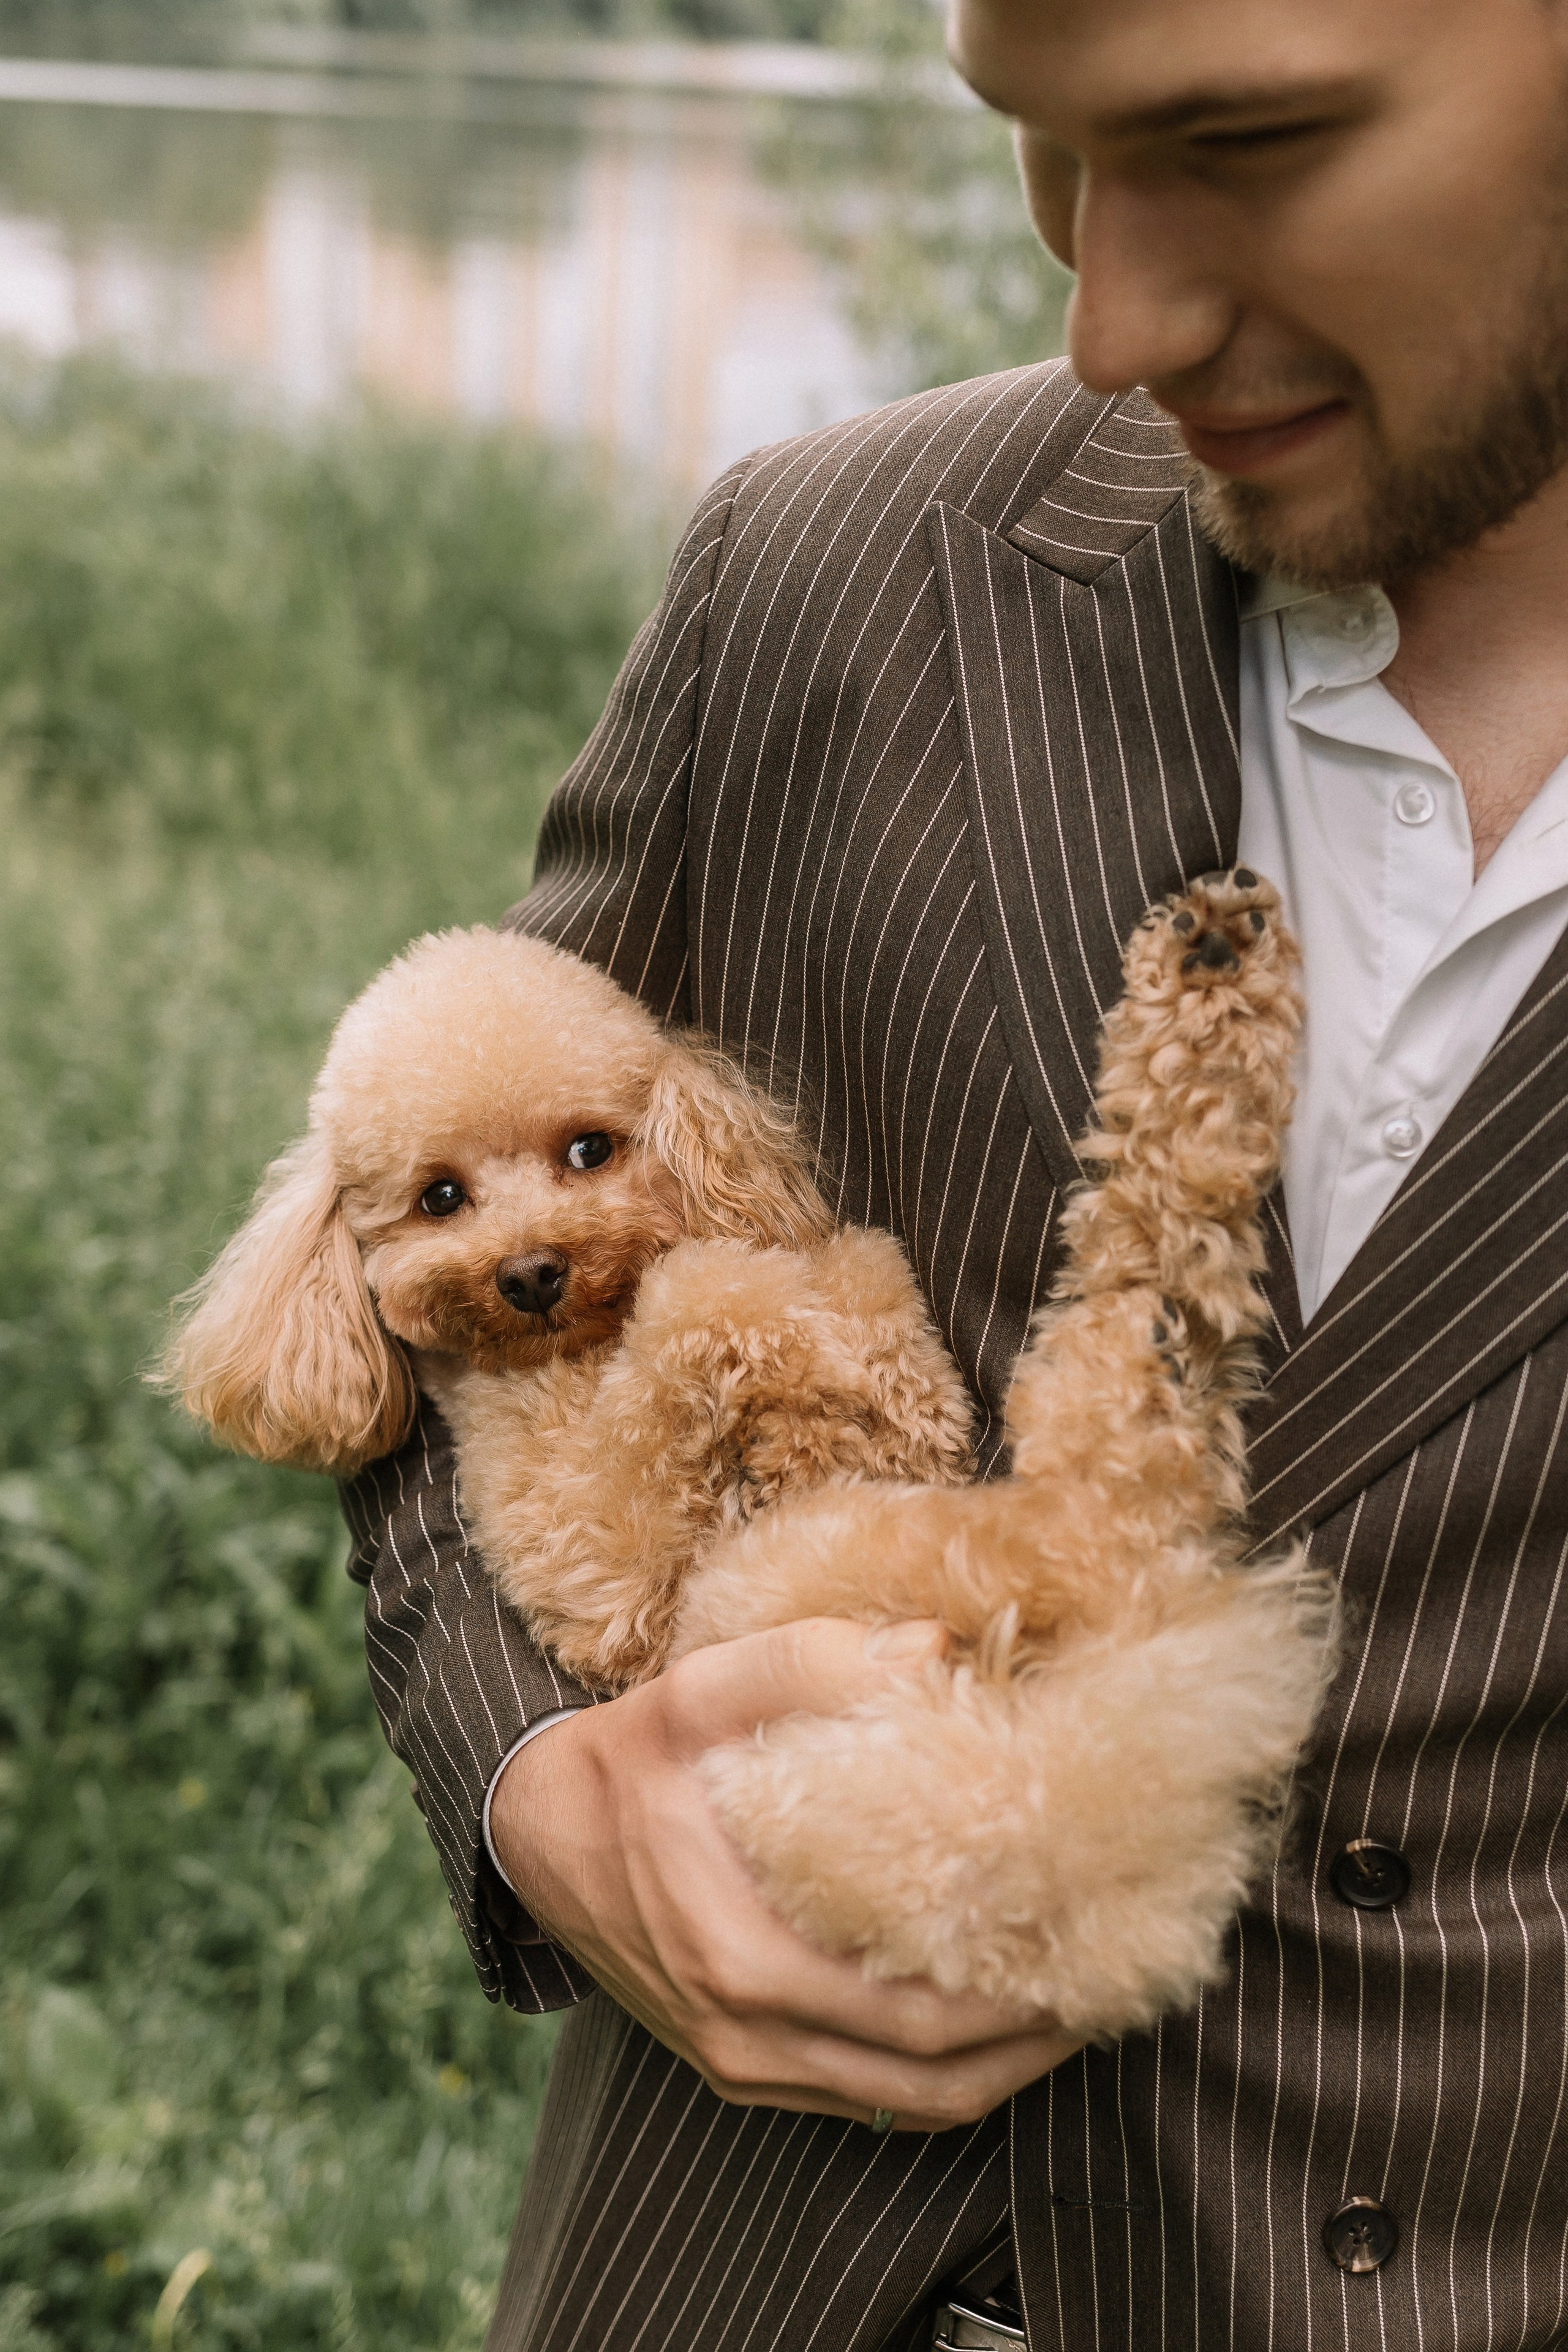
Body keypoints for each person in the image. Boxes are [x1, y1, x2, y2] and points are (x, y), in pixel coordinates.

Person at [342, 0, 1568, 2340]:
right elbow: (438, 1290)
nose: (1112, 322)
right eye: (1043, 148)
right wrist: (543, 1782)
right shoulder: (817, 577)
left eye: (1248, 141)